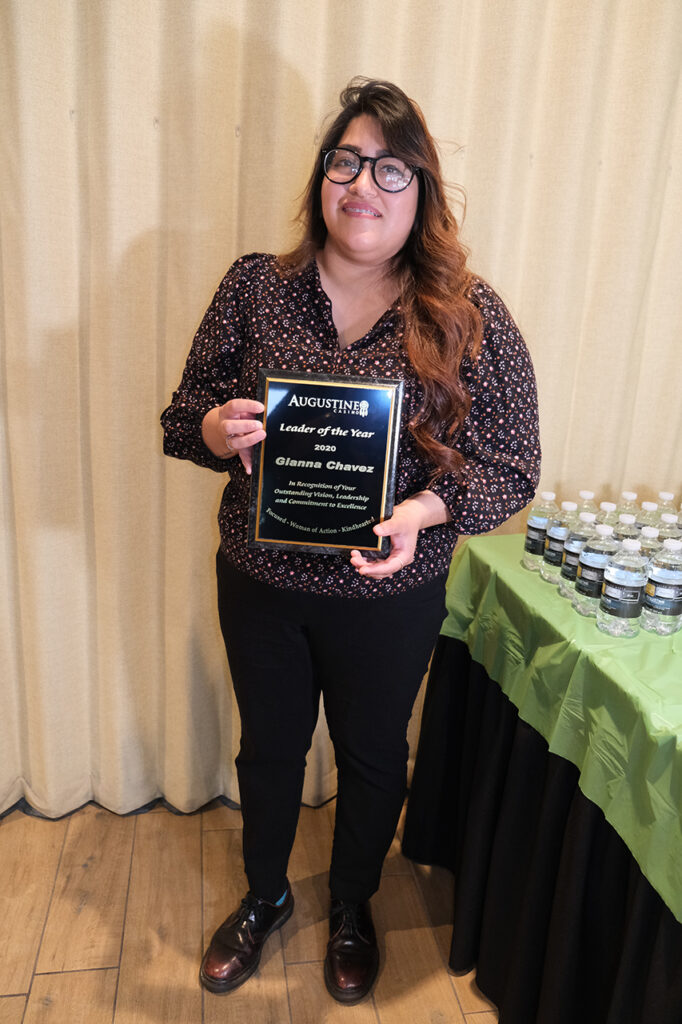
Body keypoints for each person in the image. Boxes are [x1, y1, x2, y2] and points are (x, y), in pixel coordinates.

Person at [161, 77, 540, 1004]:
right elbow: (181, 419)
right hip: (261, 582)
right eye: (346, 161)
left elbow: (512, 464)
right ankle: (263, 897)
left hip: (389, 594)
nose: (363, 184)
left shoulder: (466, 314)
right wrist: (215, 431)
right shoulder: (257, 285)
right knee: (268, 750)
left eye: (391, 168)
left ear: (422, 195)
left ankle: (356, 904)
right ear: (322, 179)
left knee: (373, 757)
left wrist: (423, 514)